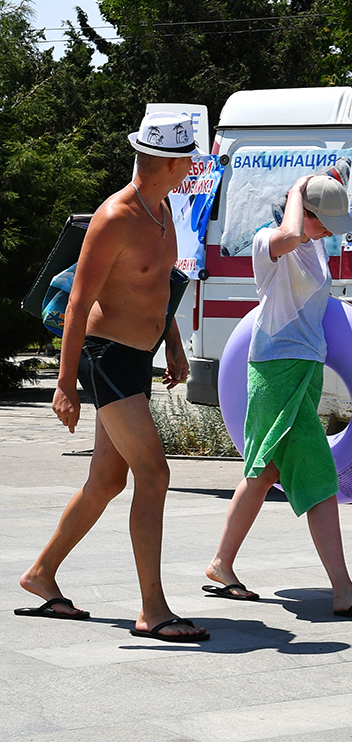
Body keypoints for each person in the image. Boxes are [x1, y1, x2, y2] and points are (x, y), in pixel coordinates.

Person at [16, 111, 208, 642]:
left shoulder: (166, 209)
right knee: (155, 473)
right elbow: (78, 303)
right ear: (167, 162)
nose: (193, 164)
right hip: (104, 357)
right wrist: (62, 384)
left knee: (107, 480)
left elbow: (162, 286)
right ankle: (152, 609)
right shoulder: (115, 216)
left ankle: (40, 574)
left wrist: (171, 345)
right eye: (187, 157)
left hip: (137, 358)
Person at [203, 174, 352, 618]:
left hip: (303, 367)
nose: (330, 229)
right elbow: (290, 232)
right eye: (323, 220)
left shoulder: (313, 244)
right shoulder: (269, 241)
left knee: (263, 471)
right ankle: (343, 590)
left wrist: (332, 183)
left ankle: (220, 564)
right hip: (275, 369)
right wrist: (297, 189)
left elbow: (308, 243)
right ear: (300, 210)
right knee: (318, 473)